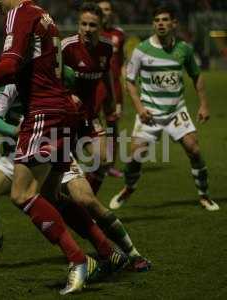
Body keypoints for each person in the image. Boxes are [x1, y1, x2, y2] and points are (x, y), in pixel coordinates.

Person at [0, 0, 98, 295]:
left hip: (42, 116)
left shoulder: (19, 13)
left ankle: (80, 260)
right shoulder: (43, 14)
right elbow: (11, 78)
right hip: (49, 118)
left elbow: (8, 64)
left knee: (24, 195)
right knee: (32, 195)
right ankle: (105, 253)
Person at [0, 84, 150, 273]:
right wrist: (16, 131)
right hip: (17, 155)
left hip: (55, 152)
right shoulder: (11, 85)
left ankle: (132, 254)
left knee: (86, 199)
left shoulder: (58, 80)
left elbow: (77, 104)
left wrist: (89, 138)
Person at [109, 5, 220, 212]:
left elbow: (196, 76)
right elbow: (130, 81)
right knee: (135, 156)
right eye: (157, 20)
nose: (160, 23)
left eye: (165, 20)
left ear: (174, 23)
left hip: (176, 111)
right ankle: (128, 188)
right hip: (149, 112)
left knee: (194, 149)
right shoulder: (141, 50)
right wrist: (140, 108)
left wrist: (204, 104)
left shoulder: (184, 49)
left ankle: (204, 195)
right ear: (153, 24)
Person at [61, 1, 119, 195]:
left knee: (103, 160)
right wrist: (68, 96)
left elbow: (105, 73)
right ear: (78, 24)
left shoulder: (106, 47)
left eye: (92, 25)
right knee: (56, 173)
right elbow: (49, 77)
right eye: (83, 24)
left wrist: (111, 100)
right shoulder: (67, 48)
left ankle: (86, 206)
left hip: (88, 115)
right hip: (63, 117)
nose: (87, 29)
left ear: (101, 26)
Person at [96, 0, 125, 178]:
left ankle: (110, 165)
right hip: (94, 85)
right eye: (101, 10)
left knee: (113, 125)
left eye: (107, 9)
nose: (104, 12)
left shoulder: (119, 34)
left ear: (111, 12)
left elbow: (122, 60)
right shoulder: (92, 31)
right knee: (87, 123)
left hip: (113, 86)